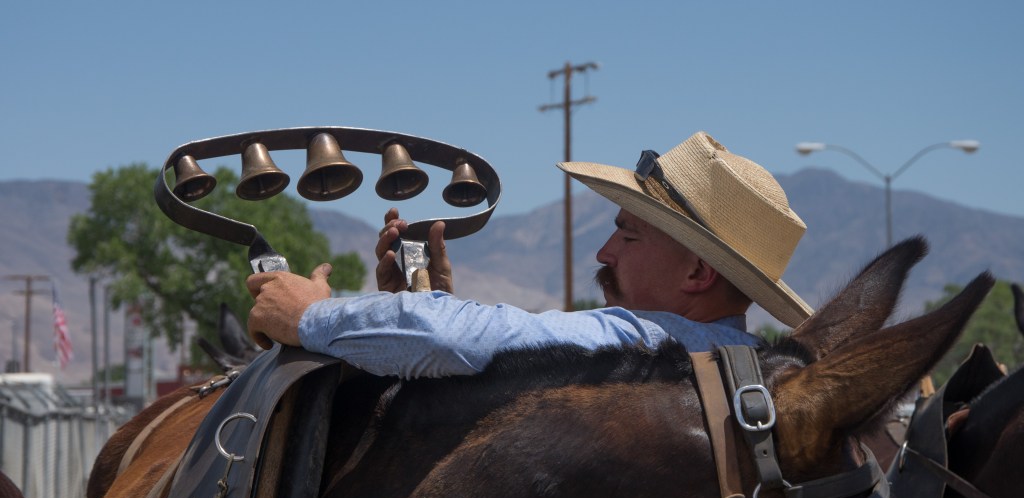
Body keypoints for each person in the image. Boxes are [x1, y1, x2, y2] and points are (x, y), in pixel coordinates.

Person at [247, 131, 812, 378]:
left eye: (629, 234)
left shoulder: (651, 347)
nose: (605, 251)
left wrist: (307, 315)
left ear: (696, 271)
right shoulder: (749, 366)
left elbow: (452, 339)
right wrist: (433, 301)